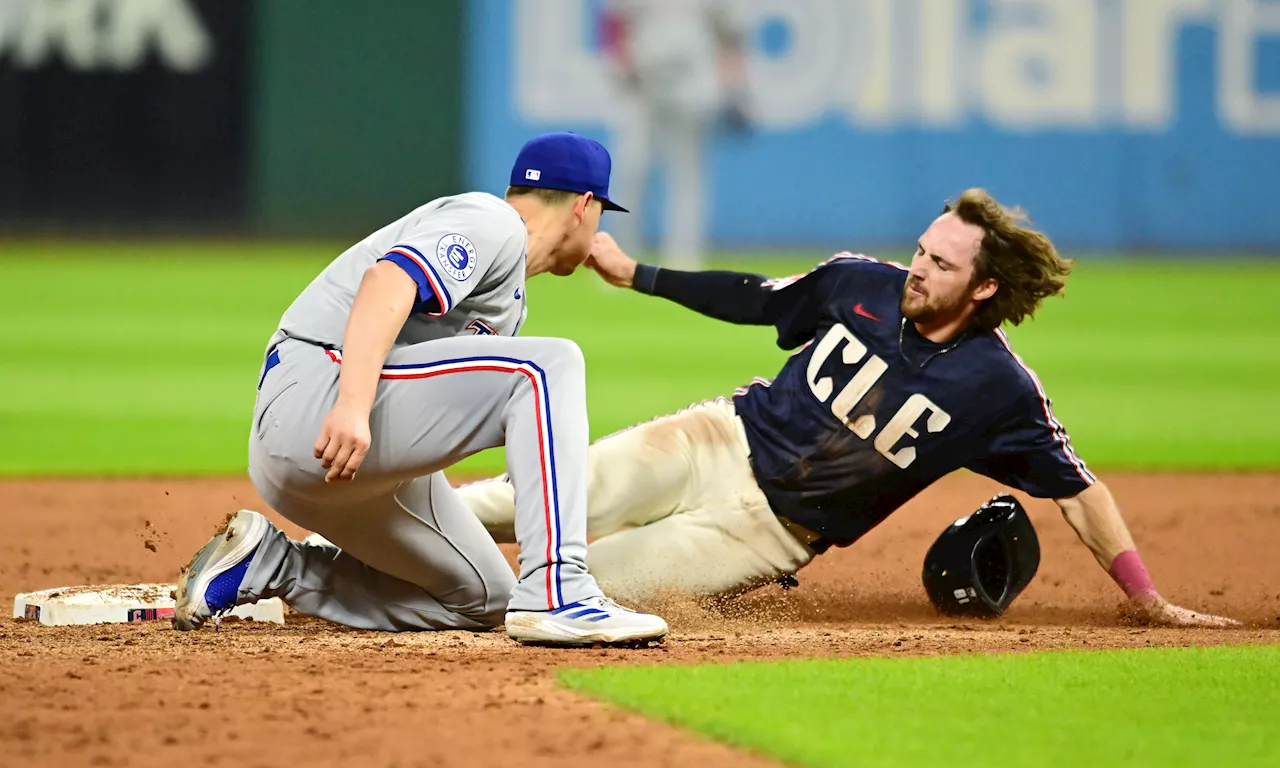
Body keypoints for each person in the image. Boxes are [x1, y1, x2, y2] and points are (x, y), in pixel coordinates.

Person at [458, 189, 1238, 628]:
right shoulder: (858, 281)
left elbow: (1078, 488)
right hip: (712, 439)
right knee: (525, 495)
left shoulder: (999, 390)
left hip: (764, 534)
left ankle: (416, 585)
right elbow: (757, 300)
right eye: (923, 249)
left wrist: (1147, 598)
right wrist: (639, 275)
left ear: (986, 287)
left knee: (581, 586)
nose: (919, 268)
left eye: (941, 263)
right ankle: (351, 533)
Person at [172, 132, 668, 646]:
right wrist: (351, 404)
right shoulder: (492, 222)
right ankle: (560, 589)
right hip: (318, 398)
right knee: (548, 366)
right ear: (585, 207)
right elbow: (386, 281)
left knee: (484, 597)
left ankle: (269, 564)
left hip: (346, 461)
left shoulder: (511, 296)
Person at [600, 0, 749, 270]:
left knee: (687, 174)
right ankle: (617, 256)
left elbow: (729, 34)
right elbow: (614, 21)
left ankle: (683, 259)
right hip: (642, 80)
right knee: (632, 169)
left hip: (692, 80)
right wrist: (618, 62)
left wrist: (735, 85)